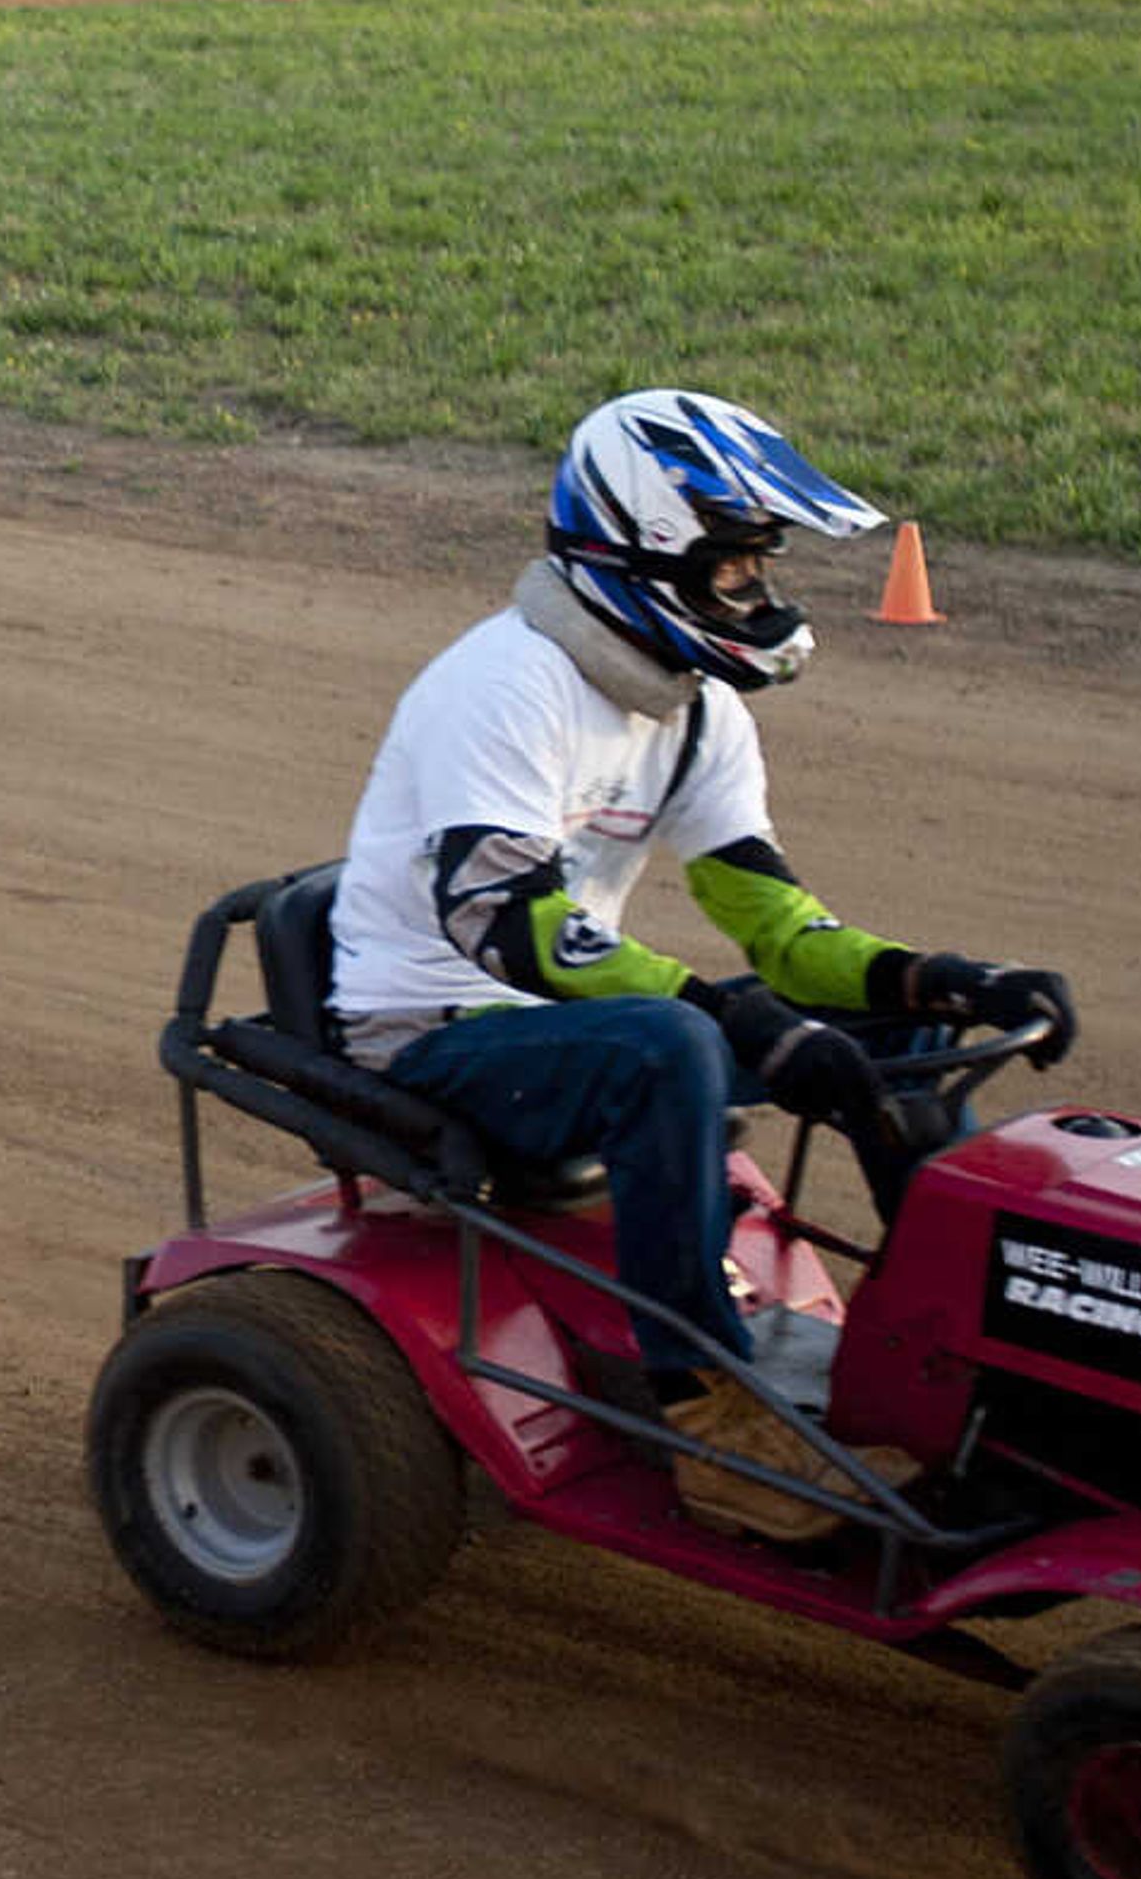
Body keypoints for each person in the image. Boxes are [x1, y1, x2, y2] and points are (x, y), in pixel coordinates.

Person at [327, 390, 1076, 1542]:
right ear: (646, 558)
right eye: (733, 571)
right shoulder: (506, 686)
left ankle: (961, 1346)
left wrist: (941, 980)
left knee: (908, 1046)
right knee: (675, 1043)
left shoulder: (695, 711)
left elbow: (775, 925)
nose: (757, 596)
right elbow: (509, 930)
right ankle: (705, 1405)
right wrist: (731, 1016)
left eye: (758, 570)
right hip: (432, 1024)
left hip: (561, 1018)